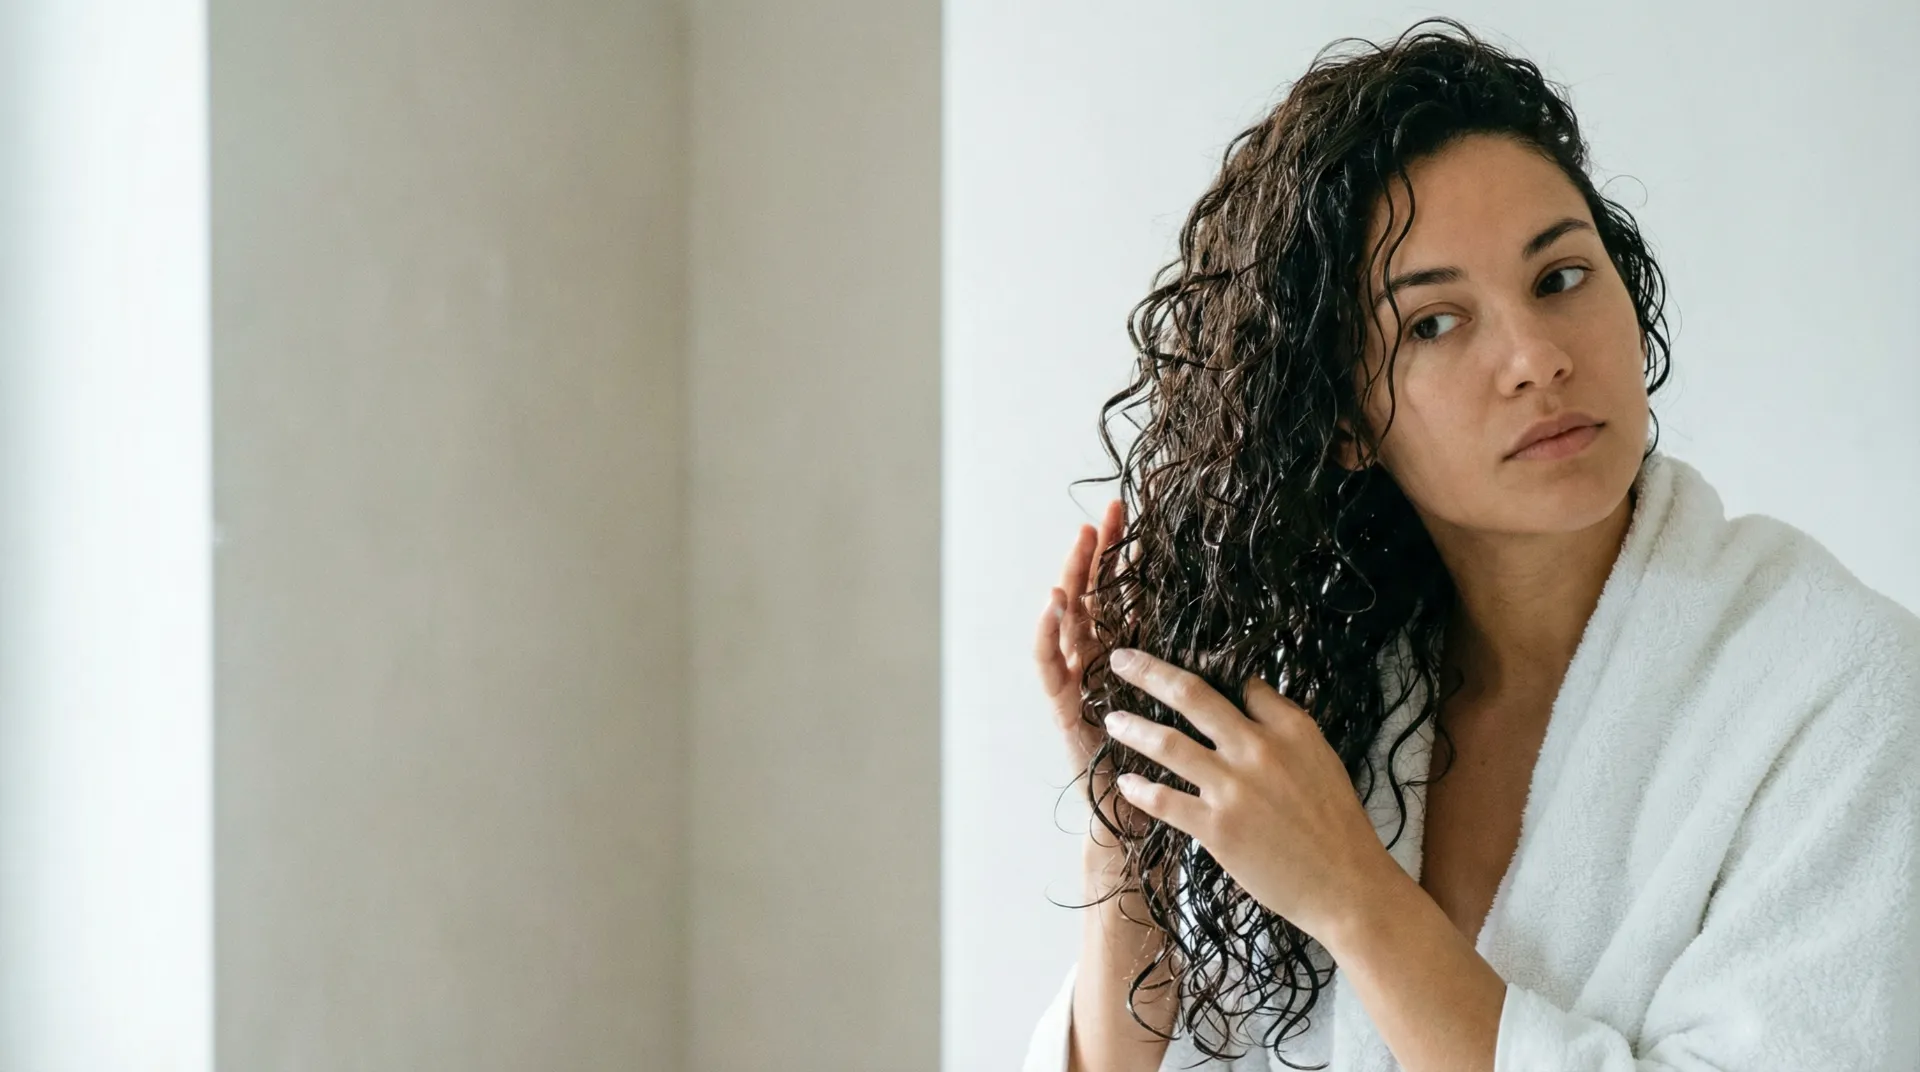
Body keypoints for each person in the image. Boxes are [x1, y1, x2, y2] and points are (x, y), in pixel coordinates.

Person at [1022, 16, 1920, 1072]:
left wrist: (1355, 897)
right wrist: (1132, 822)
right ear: (1347, 421)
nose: (1536, 357)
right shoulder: (1333, 699)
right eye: (1435, 324)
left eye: (1560, 278)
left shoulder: (1844, 692)